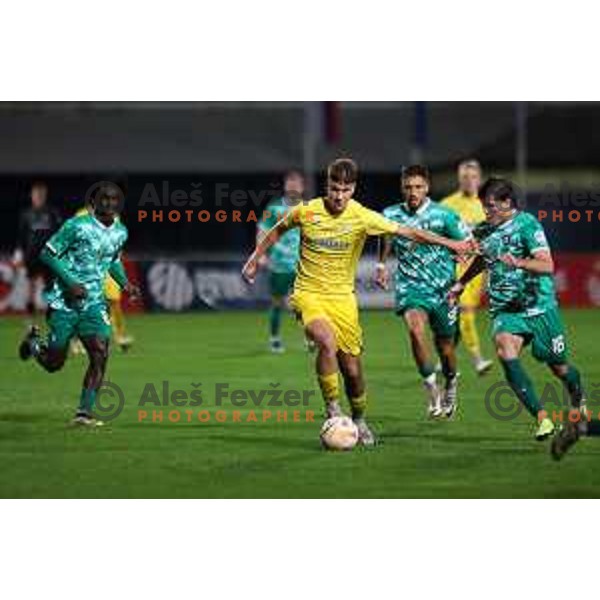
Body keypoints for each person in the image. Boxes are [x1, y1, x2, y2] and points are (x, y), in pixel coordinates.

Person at [242, 158, 473, 446]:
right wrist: (254, 259)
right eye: (334, 188)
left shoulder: (362, 216)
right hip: (309, 294)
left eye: (346, 189)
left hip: (343, 301)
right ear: (327, 185)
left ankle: (360, 418)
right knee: (325, 341)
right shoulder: (308, 211)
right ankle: (332, 408)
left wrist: (452, 244)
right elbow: (278, 227)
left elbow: (410, 232)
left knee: (352, 370)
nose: (339, 196)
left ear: (354, 188)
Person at [449, 177, 587, 441]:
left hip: (539, 309)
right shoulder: (484, 230)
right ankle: (542, 420)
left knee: (560, 369)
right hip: (506, 310)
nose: (486, 211)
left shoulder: (527, 225)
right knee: (504, 349)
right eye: (483, 206)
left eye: (490, 206)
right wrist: (461, 283)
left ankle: (577, 396)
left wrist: (520, 263)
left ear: (507, 203)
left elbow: (547, 265)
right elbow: (482, 258)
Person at [18, 182, 139, 427]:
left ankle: (83, 413)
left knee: (100, 353)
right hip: (65, 302)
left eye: (114, 199)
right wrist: (71, 282)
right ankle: (33, 344)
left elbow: (112, 260)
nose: (109, 203)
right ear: (92, 203)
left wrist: (125, 284)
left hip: (94, 304)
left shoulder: (120, 232)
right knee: (55, 363)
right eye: (103, 199)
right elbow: (48, 253)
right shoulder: (76, 226)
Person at [375, 165, 470, 419]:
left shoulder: (445, 216)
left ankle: (450, 382)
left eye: (418, 187)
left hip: (443, 290)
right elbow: (386, 237)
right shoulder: (391, 213)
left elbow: (467, 243)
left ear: (427, 187)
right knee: (415, 331)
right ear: (402, 187)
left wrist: (463, 255)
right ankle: (432, 390)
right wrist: (382, 264)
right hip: (411, 287)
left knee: (446, 347)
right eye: (408, 187)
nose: (413, 192)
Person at [441, 160, 493, 376]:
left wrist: (490, 272)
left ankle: (445, 356)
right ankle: (478, 359)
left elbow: (491, 241)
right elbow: (438, 235)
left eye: (473, 177)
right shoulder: (447, 204)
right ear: (459, 179)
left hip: (477, 270)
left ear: (479, 179)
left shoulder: (487, 205)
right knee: (464, 313)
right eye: (465, 177)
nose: (469, 181)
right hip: (455, 269)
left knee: (460, 316)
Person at [257, 170, 304, 353]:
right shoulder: (274, 208)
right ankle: (275, 338)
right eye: (290, 184)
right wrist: (260, 254)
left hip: (302, 266)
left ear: (302, 187)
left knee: (304, 304)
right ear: (285, 186)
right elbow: (262, 231)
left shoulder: (308, 208)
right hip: (279, 265)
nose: (293, 187)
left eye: (296, 184)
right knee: (278, 302)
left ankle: (310, 338)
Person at [13, 181, 62, 320]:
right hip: (31, 255)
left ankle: (52, 314)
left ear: (45, 196)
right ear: (32, 196)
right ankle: (30, 316)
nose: (38, 197)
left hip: (48, 255)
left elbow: (59, 233)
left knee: (50, 285)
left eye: (41, 195)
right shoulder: (26, 214)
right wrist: (18, 254)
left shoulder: (52, 212)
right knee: (31, 285)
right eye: (36, 195)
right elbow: (21, 236)